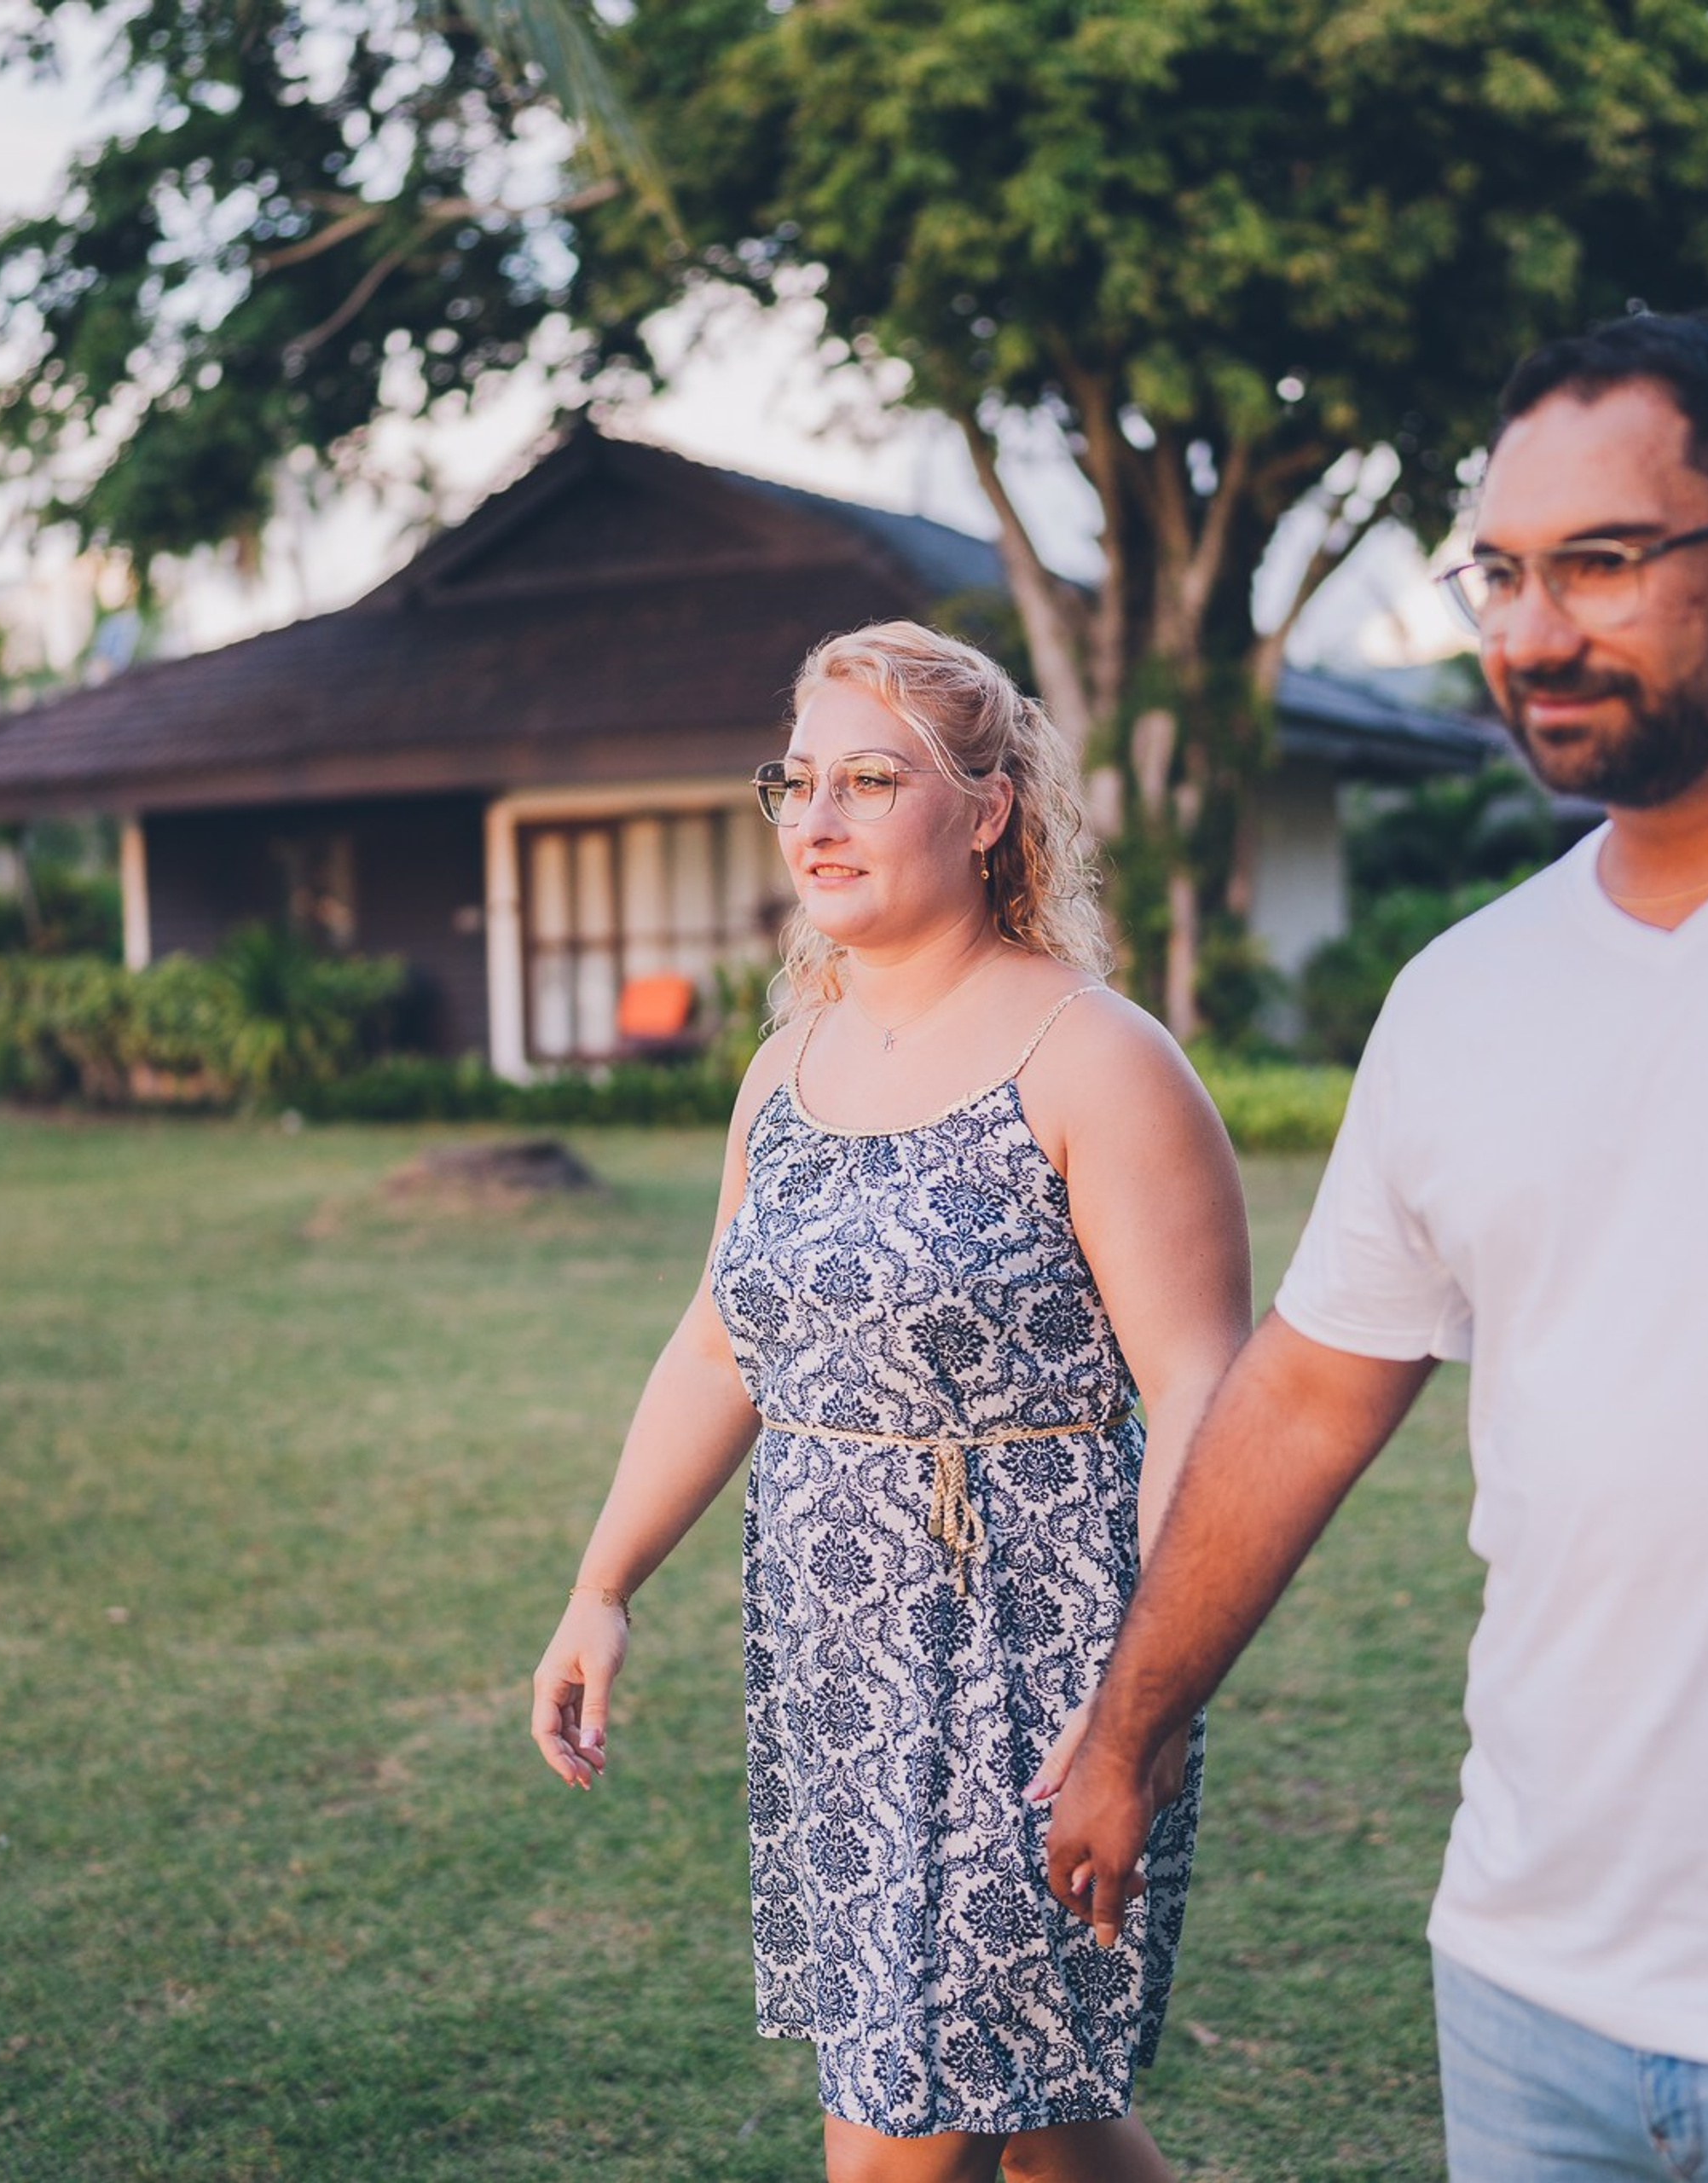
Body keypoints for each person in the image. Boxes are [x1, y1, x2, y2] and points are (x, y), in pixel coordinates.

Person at [1041, 312, 1708, 2179]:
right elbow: (1310, 1390)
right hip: (1525, 1994)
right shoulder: (1460, 997)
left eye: (1602, 562)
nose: (1530, 632)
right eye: (1497, 570)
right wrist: (1125, 1725)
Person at [530, 621, 1251, 2183]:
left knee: (903, 2134)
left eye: (871, 780)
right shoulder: (786, 1069)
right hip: (840, 1663)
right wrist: (603, 1585)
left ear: (988, 811)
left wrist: (1146, 1696)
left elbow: (1203, 1390)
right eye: (798, 782)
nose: (818, 819)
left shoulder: (1095, 1059)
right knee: (1042, 2117)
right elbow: (722, 1346)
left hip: (1038, 1665)